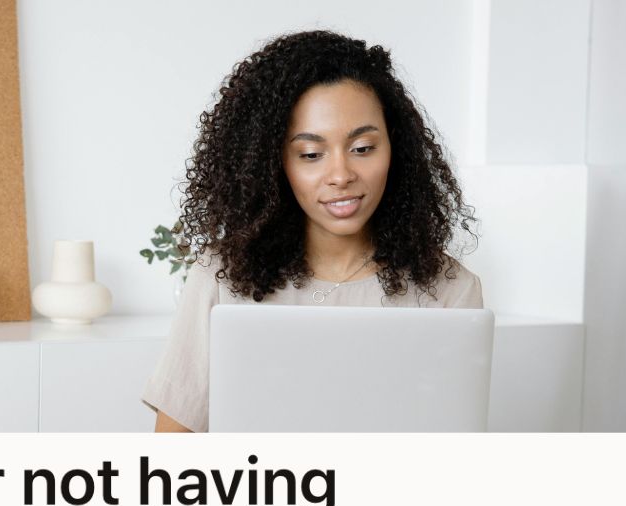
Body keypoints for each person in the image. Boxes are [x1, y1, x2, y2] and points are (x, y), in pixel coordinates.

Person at [142, 30, 483, 433]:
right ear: (275, 164)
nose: (340, 175)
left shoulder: (449, 290)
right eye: (311, 154)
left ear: (397, 150)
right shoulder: (221, 276)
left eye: (363, 148)